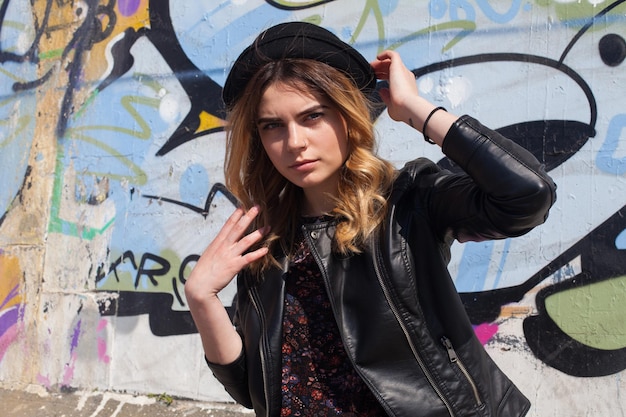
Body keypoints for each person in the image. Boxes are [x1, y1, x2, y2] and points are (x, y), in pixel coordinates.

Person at [185, 22, 556, 417]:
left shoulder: (407, 202)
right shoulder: (264, 238)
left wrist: (414, 108)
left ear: (346, 116)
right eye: (273, 126)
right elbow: (251, 389)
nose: (294, 142)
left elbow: (527, 195)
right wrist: (202, 299)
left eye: (312, 116)